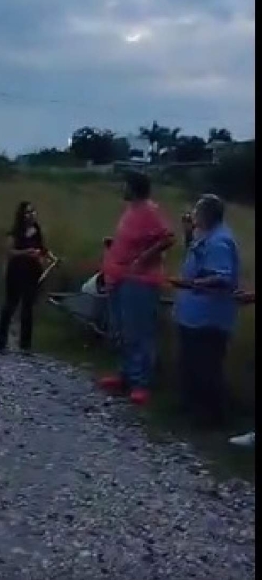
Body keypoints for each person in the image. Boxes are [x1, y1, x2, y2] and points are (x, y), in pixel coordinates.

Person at [99, 171, 174, 405]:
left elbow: (168, 237)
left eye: (126, 185)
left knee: (139, 331)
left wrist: (144, 257)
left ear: (134, 188)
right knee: (122, 329)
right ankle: (125, 374)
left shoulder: (150, 210)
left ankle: (141, 383)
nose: (123, 188)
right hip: (120, 277)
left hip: (139, 280)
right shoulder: (131, 210)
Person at [170, 195, 240, 427]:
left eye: (196, 211)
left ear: (207, 214)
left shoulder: (220, 241)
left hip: (209, 317)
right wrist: (189, 233)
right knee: (189, 364)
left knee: (206, 368)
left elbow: (223, 277)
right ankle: (189, 410)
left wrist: (192, 285)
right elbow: (197, 258)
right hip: (194, 315)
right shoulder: (206, 235)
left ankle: (210, 419)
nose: (192, 215)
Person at [0, 201, 48, 354]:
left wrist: (46, 256)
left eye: (33, 211)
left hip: (32, 272)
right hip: (16, 271)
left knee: (28, 307)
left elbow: (42, 248)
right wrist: (27, 252)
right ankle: (0, 342)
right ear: (21, 215)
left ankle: (25, 344)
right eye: (27, 212)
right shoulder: (16, 232)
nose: (31, 215)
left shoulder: (37, 229)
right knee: (10, 305)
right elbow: (10, 252)